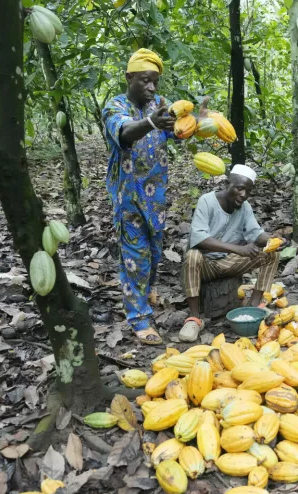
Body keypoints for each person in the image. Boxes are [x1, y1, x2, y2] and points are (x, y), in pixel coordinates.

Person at [102, 49, 177, 345]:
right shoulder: (114, 107)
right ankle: (139, 318)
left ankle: (147, 292)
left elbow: (177, 132)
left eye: (155, 82)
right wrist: (151, 123)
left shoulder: (159, 104)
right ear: (129, 77)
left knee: (155, 253)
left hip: (156, 195)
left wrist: (199, 121)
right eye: (145, 81)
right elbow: (125, 133)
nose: (152, 88)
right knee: (136, 258)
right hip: (128, 197)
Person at [180, 165, 280, 342]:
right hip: (205, 265)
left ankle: (255, 304)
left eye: (247, 191)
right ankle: (194, 318)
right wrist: (238, 249)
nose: (243, 195)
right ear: (227, 184)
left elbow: (255, 233)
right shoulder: (207, 201)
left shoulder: (244, 207)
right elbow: (199, 238)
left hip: (228, 263)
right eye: (239, 188)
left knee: (271, 254)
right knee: (192, 256)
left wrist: (272, 239)